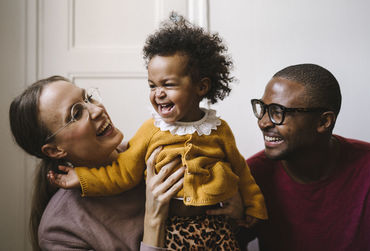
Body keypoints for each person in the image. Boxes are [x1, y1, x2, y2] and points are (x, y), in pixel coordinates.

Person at [49, 13, 267, 249]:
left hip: (219, 224)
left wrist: (253, 206)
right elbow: (121, 172)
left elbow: (240, 169)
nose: (158, 93)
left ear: (201, 87)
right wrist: (80, 179)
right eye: (152, 85)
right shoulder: (151, 130)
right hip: (175, 230)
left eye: (168, 84)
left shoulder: (218, 129)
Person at [9, 75, 190, 251]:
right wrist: (154, 219)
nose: (97, 110)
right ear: (55, 150)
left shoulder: (154, 152)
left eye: (88, 98)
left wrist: (218, 205)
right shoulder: (60, 232)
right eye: (76, 114)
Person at [240, 63, 370, 250]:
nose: (263, 122)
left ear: (324, 121)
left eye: (278, 112)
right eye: (263, 109)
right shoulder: (252, 176)